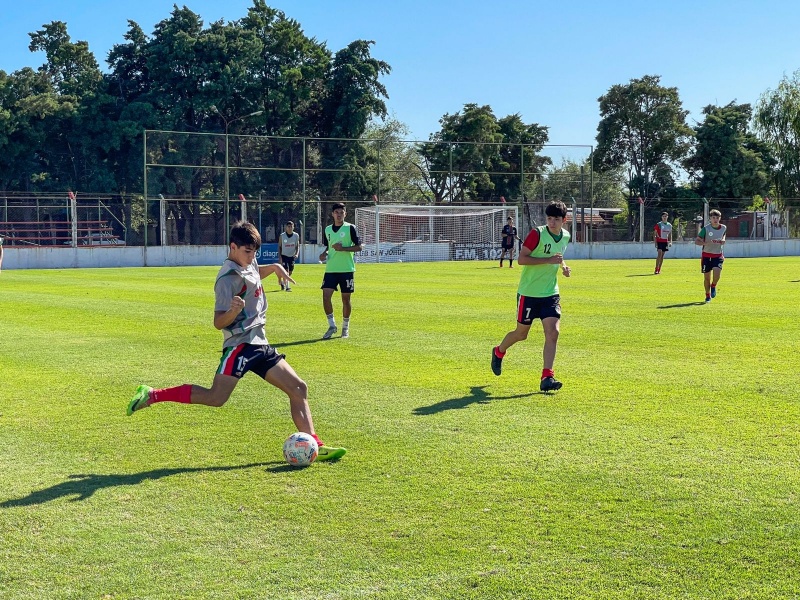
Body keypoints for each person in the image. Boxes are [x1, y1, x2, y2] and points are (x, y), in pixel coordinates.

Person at [127, 221, 346, 461]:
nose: (252, 257)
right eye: (247, 252)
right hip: (240, 345)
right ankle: (152, 395)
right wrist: (233, 310)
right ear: (233, 247)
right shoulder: (226, 279)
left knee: (298, 388)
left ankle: (314, 443)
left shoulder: (248, 261)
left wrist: (273, 267)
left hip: (259, 343)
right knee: (216, 398)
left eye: (255, 253)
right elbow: (219, 322)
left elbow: (252, 275)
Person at [491, 201, 572, 392]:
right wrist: (549, 260)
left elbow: (558, 255)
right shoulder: (537, 233)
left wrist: (564, 267)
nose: (552, 223)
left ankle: (547, 376)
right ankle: (499, 351)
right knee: (521, 334)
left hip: (550, 293)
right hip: (529, 293)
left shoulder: (565, 236)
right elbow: (522, 259)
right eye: (549, 219)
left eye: (556, 219)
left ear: (564, 220)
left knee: (553, 332)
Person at [319, 203, 362, 339]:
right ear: (332, 214)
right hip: (331, 269)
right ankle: (332, 326)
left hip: (346, 269)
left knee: (346, 299)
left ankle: (345, 327)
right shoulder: (327, 230)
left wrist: (343, 249)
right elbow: (328, 247)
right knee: (325, 296)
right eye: (336, 212)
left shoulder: (350, 228)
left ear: (345, 214)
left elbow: (359, 247)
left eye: (341, 212)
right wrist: (324, 253)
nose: (338, 214)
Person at [695, 209, 726, 303]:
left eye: (717, 218)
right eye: (713, 218)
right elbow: (697, 241)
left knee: (717, 274)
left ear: (720, 218)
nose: (715, 219)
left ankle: (714, 285)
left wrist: (723, 240)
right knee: (707, 277)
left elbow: (723, 235)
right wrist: (705, 243)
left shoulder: (724, 227)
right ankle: (707, 295)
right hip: (706, 256)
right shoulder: (706, 229)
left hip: (718, 255)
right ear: (710, 219)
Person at [278, 221, 300, 292]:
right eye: (288, 226)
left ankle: (282, 282)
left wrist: (296, 254)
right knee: (286, 271)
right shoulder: (282, 236)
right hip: (284, 255)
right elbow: (279, 247)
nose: (290, 228)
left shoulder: (296, 236)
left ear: (293, 227)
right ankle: (287, 287)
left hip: (292, 256)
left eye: (291, 226)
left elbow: (297, 246)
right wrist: (280, 257)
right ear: (286, 227)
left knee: (290, 272)